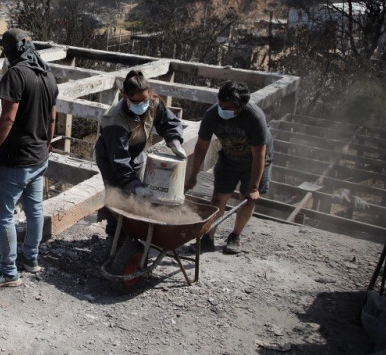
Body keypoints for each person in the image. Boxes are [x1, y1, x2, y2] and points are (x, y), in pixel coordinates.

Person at [0, 29, 59, 289]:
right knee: (35, 209)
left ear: (11, 51)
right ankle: (31, 259)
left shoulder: (15, 75)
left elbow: (7, 119)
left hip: (17, 159)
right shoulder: (47, 75)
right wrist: (46, 144)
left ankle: (8, 271)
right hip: (39, 156)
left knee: (3, 214)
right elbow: (53, 117)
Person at [95, 69, 186, 249]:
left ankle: (132, 233)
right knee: (118, 196)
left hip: (135, 153)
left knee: (136, 197)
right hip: (111, 159)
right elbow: (119, 161)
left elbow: (169, 122)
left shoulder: (152, 103)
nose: (144, 105)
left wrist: (174, 140)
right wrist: (133, 184)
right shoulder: (115, 119)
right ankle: (114, 237)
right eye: (137, 102)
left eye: (146, 100)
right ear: (125, 97)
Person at [184, 81, 273, 255]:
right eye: (221, 104)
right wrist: (192, 176)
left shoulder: (254, 118)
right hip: (229, 157)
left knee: (247, 197)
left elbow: (259, 155)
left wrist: (254, 187)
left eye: (228, 107)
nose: (223, 109)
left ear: (240, 107)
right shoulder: (212, 115)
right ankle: (208, 237)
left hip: (254, 161)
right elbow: (201, 147)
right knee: (218, 198)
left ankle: (235, 236)